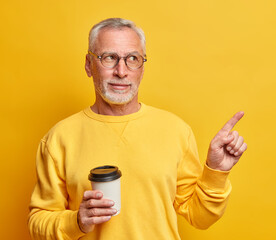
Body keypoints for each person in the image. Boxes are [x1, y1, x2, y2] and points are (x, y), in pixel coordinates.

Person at [28, 18, 247, 240]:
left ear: (142, 67)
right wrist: (76, 221)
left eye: (132, 58)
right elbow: (38, 221)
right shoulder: (59, 139)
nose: (121, 71)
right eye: (109, 58)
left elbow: (200, 217)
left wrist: (216, 171)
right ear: (88, 65)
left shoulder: (177, 131)